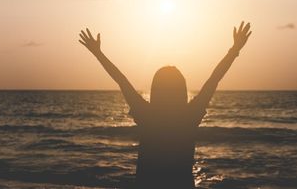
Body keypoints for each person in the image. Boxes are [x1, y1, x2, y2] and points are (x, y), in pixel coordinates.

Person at [79, 22, 252, 188]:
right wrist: (234, 50)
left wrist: (98, 53)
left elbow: (121, 80)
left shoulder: (147, 114)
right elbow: (214, 80)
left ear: (156, 89)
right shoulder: (189, 115)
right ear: (182, 89)